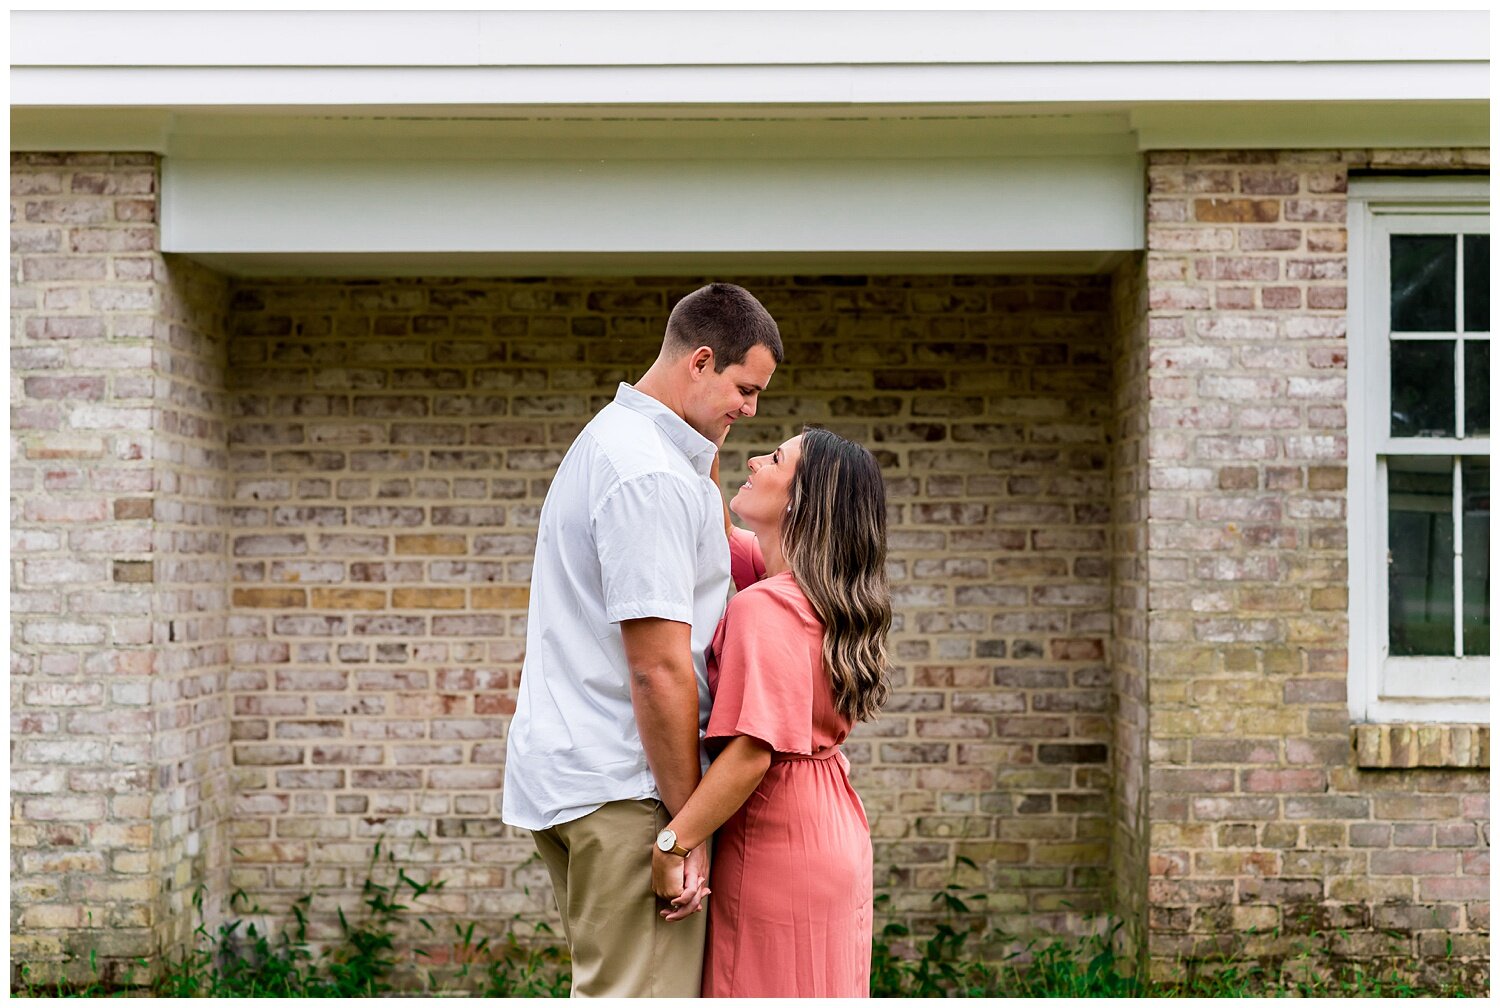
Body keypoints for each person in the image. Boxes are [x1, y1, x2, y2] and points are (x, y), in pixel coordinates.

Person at [500, 283, 782, 998]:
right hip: (632, 789)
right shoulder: (648, 475)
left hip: (590, 777)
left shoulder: (621, 442)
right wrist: (684, 831)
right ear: (702, 361)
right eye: (745, 389)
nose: (752, 410)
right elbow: (659, 670)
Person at [650, 426, 893, 998]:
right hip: (830, 826)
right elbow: (718, 525)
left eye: (776, 458)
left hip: (777, 838)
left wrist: (674, 843)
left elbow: (751, 754)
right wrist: (699, 424)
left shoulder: (764, 605)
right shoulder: (811, 589)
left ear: (800, 499)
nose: (755, 460)